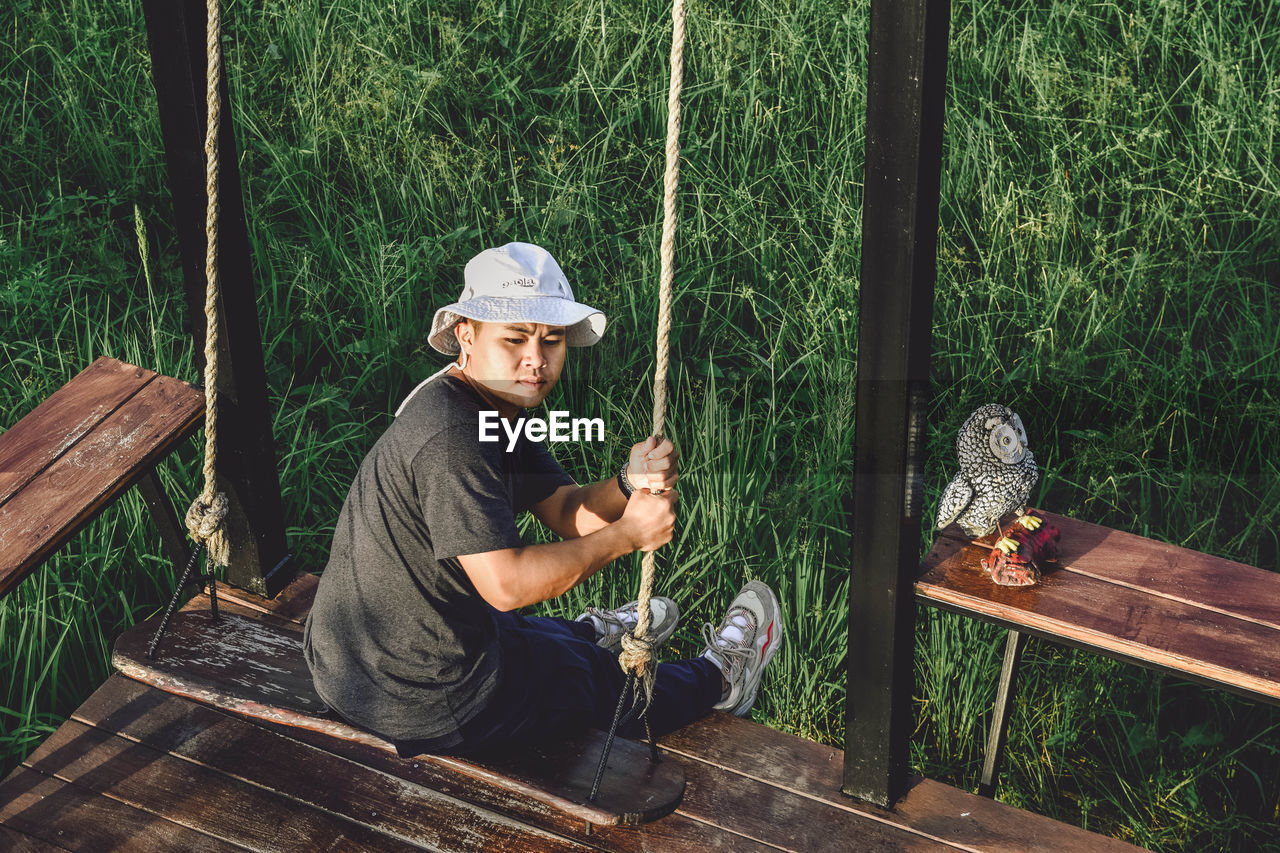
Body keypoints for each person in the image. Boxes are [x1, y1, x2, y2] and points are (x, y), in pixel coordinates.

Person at [303, 241, 783, 758]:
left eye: (551, 340)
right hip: (422, 699)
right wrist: (627, 536)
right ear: (466, 335)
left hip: (354, 657)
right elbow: (506, 586)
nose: (536, 361)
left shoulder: (488, 404)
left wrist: (626, 483)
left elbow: (562, 510)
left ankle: (580, 634)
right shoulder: (453, 439)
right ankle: (721, 679)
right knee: (591, 680)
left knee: (537, 643)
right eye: (514, 339)